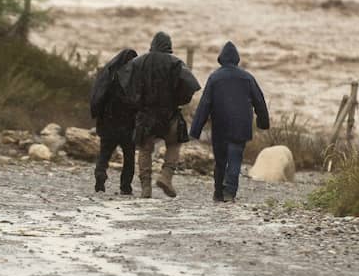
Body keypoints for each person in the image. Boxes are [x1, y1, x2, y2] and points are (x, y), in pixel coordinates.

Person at [120, 31, 200, 198]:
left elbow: (125, 85)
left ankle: (146, 187)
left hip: (146, 114)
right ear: (169, 46)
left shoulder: (138, 62)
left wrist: (137, 103)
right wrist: (179, 100)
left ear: (152, 44)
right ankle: (166, 176)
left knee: (144, 149)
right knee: (174, 144)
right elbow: (190, 87)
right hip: (170, 113)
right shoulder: (176, 63)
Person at [189, 41, 269, 203]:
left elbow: (204, 105)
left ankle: (218, 192)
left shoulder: (215, 78)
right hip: (241, 127)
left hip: (220, 126)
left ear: (221, 59)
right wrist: (263, 123)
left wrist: (195, 130)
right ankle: (229, 192)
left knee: (220, 161)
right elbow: (259, 102)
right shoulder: (247, 78)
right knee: (235, 159)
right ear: (237, 59)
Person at [90, 48, 139, 194]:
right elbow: (138, 101)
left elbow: (98, 97)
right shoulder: (134, 78)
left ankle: (100, 176)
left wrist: (97, 116)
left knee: (104, 154)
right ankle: (125, 187)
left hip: (108, 123)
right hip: (128, 125)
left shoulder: (108, 75)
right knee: (129, 157)